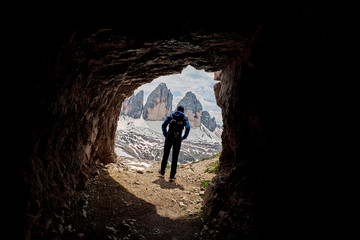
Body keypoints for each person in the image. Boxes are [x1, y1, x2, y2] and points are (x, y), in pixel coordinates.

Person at [159, 105, 190, 180]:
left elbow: (163, 125)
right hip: (178, 139)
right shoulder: (184, 118)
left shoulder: (171, 116)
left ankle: (162, 171)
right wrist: (183, 137)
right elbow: (188, 128)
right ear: (183, 111)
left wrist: (166, 134)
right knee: (175, 156)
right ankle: (172, 175)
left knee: (166, 154)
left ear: (176, 109)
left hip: (169, 137)